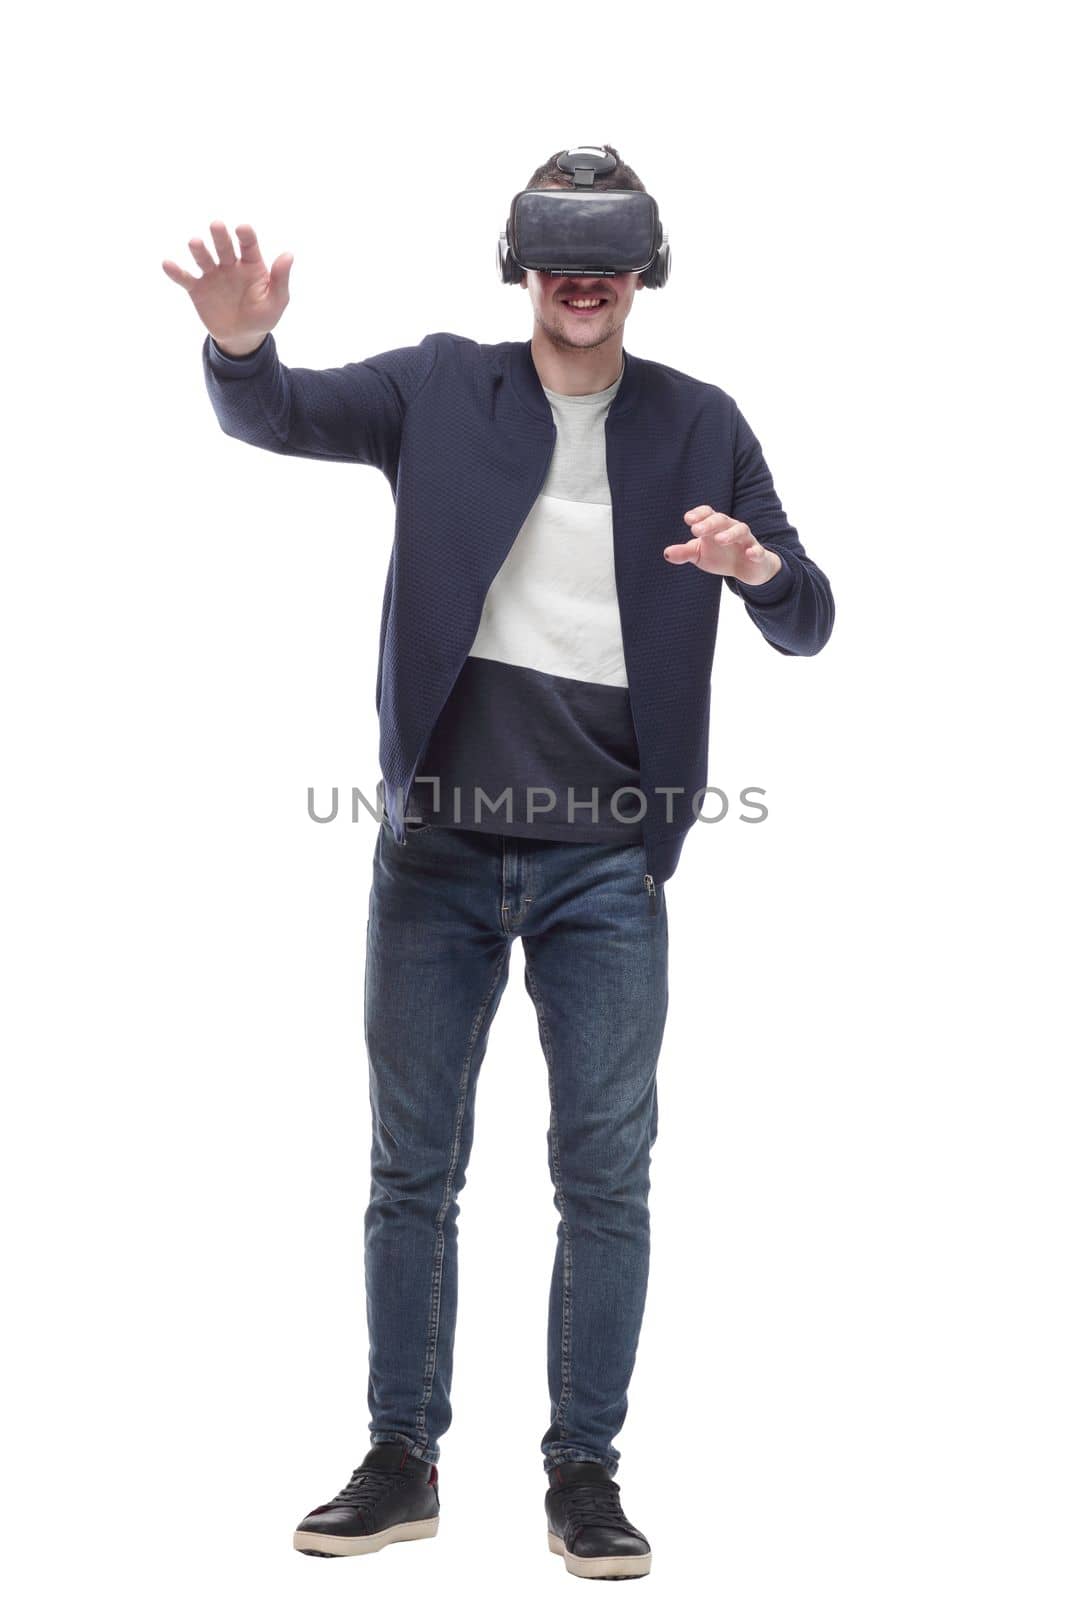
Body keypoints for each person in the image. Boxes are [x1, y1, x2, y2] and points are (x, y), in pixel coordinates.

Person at [163, 143, 835, 1581]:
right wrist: (240, 348)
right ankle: (400, 1459)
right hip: (440, 852)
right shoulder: (436, 386)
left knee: (605, 1174)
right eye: (555, 251)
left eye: (607, 253)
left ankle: (583, 1477)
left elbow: (811, 616)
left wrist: (758, 570)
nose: (580, 278)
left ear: (646, 267)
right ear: (519, 262)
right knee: (414, 1167)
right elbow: (278, 410)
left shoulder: (702, 424)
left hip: (606, 868)